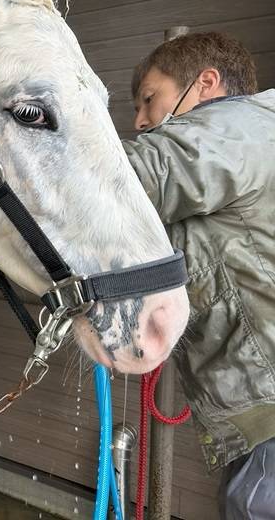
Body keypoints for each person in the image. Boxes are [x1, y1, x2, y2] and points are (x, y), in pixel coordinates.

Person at [122, 31, 275, 519]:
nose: (140, 120)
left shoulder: (235, 127)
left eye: (150, 99)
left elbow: (124, 181)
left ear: (206, 83)